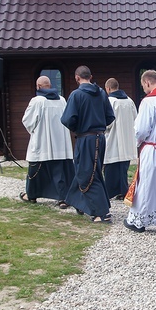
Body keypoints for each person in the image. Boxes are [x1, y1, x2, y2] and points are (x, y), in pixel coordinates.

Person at [123, 70, 156, 233]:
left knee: (146, 184)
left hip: (152, 149)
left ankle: (139, 221)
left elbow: (141, 129)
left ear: (147, 82)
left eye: (143, 85)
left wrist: (138, 142)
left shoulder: (148, 102)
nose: (144, 89)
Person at [60, 66, 115, 223]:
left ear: (77, 78)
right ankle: (78, 202)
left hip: (86, 138)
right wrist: (98, 124)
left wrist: (80, 127)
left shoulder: (76, 95)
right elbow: (110, 117)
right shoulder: (102, 94)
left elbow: (67, 119)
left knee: (87, 175)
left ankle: (102, 213)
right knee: (88, 171)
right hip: (100, 137)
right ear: (90, 76)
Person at [20, 75, 75, 205]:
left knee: (36, 170)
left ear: (38, 86)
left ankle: (32, 195)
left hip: (42, 143)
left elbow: (27, 121)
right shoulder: (62, 100)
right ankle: (62, 198)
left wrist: (35, 132)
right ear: (50, 86)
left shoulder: (37, 101)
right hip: (60, 144)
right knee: (59, 173)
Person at [103, 78, 138, 200]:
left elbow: (107, 123)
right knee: (123, 169)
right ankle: (123, 190)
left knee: (110, 169)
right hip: (127, 141)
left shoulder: (109, 101)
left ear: (108, 89)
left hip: (113, 139)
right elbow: (135, 119)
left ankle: (110, 192)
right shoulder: (130, 101)